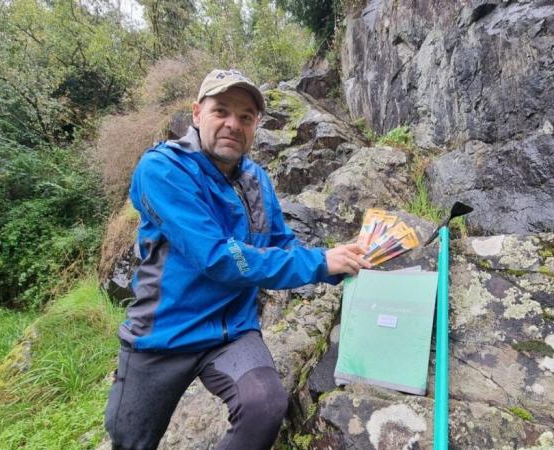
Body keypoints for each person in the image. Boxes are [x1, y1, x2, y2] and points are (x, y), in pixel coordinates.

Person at [104, 69, 371, 450]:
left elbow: (282, 244)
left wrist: (342, 260)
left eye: (245, 116)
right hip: (163, 335)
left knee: (264, 404)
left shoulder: (256, 179)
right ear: (197, 114)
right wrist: (319, 263)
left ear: (256, 124)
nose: (233, 124)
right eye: (221, 111)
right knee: (129, 439)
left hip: (231, 331)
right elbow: (219, 258)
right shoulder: (162, 169)